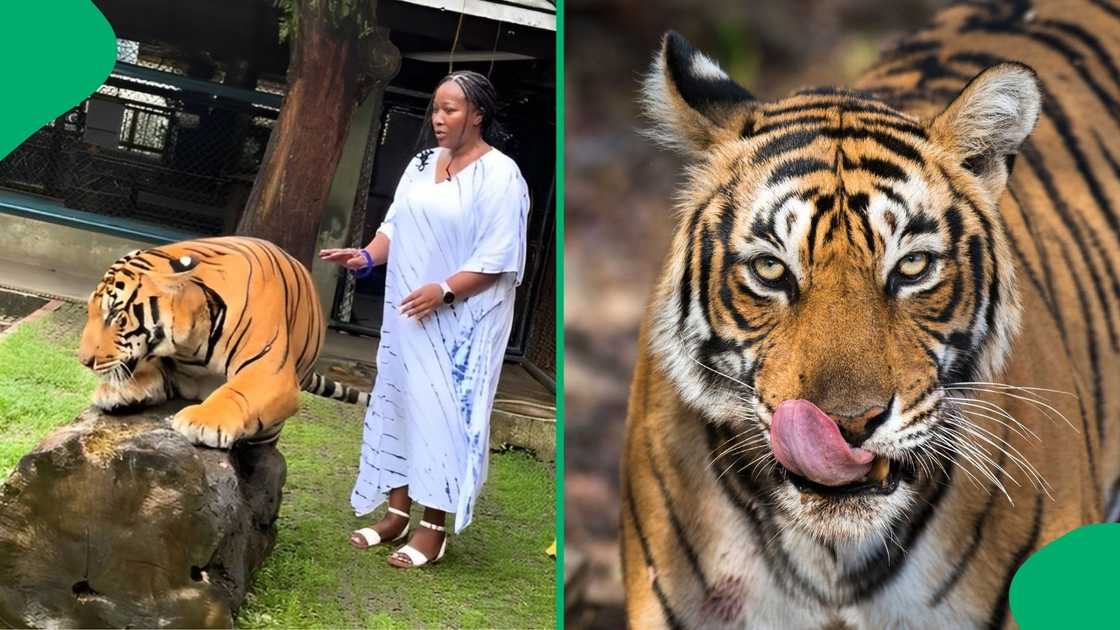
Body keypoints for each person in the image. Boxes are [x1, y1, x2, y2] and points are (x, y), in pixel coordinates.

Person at [319, 70, 530, 569]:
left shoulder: (502, 176)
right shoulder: (420, 163)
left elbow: (498, 258)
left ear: (478, 115)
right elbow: (395, 224)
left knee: (443, 416)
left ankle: (432, 529)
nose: (438, 119)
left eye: (450, 109)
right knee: (399, 405)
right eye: (435, 108)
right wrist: (368, 257)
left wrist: (445, 291)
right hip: (408, 315)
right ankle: (395, 514)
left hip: (462, 324)